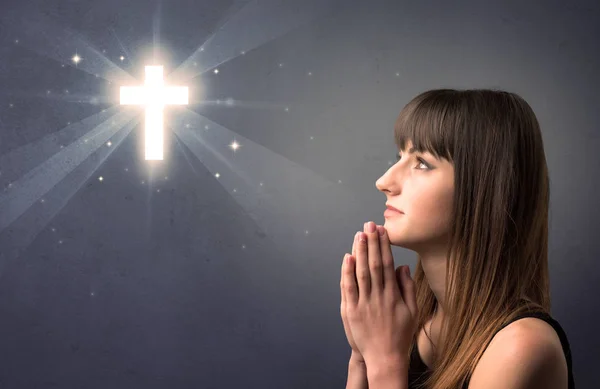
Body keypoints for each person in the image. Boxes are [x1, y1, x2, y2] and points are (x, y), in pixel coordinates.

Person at [340, 89, 575, 389]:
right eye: (400, 156)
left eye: (422, 163)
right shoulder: (413, 321)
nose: (384, 182)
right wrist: (361, 356)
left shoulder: (520, 348)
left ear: (485, 190)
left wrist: (384, 362)